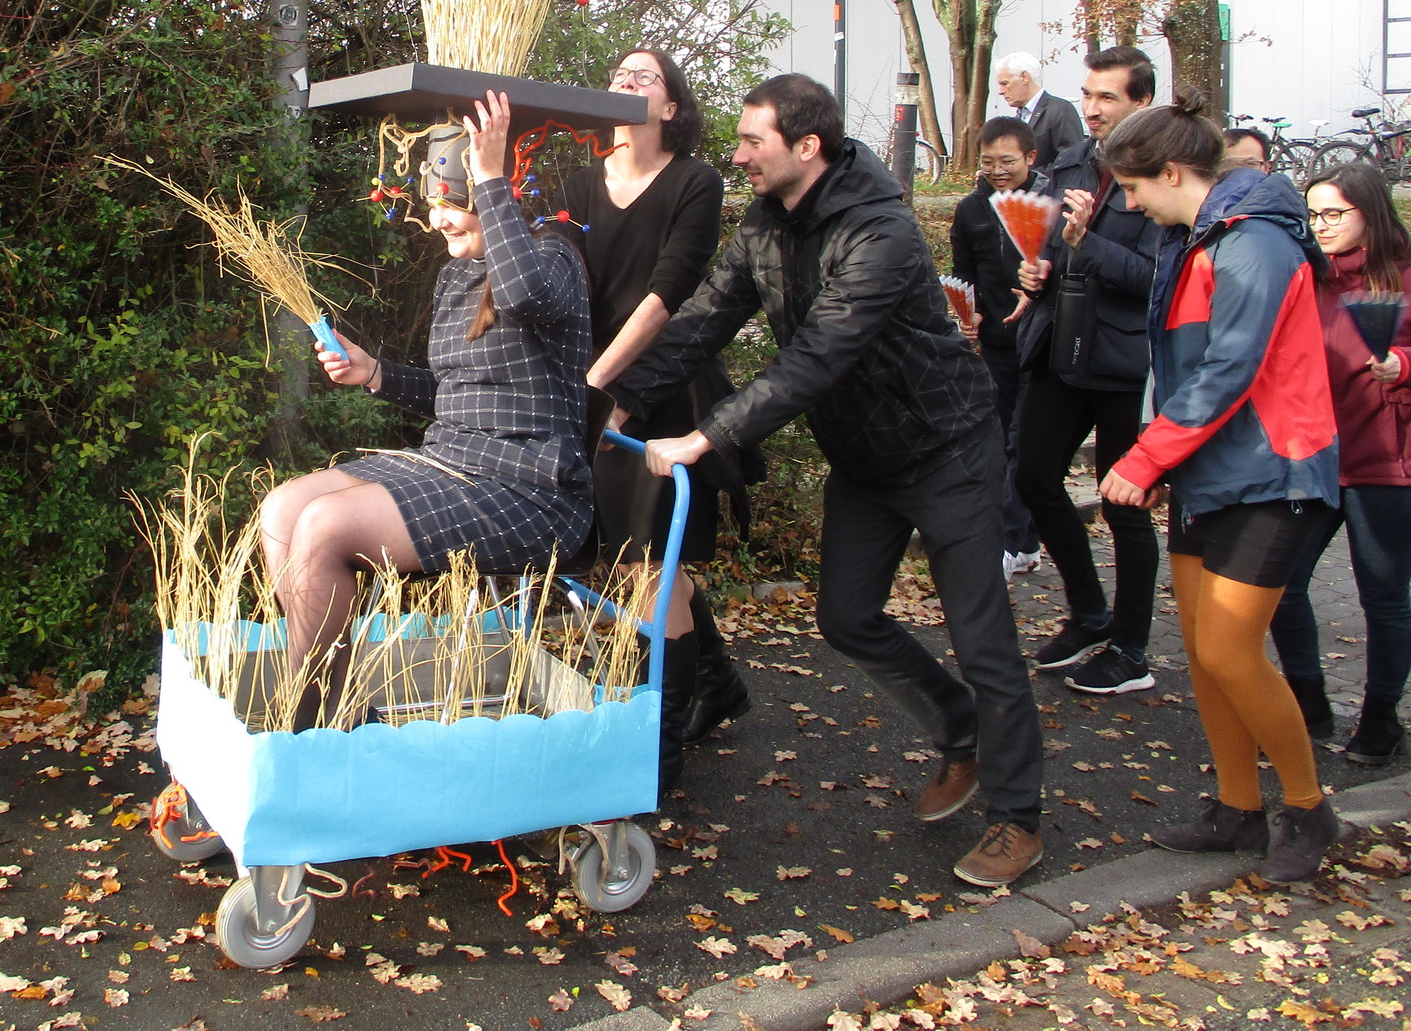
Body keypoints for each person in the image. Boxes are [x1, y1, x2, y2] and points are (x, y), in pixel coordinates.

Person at [609, 73, 1046, 886]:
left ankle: (1017, 818)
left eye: (752, 142)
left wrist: (709, 434)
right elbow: (704, 316)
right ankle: (961, 728)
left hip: (946, 450)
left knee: (983, 640)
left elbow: (817, 359)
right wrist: (622, 402)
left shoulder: (881, 231)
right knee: (846, 618)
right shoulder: (765, 222)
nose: (737, 154)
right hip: (866, 458)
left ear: (806, 146)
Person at [259, 92, 594, 728]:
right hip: (453, 462)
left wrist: (490, 178)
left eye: (454, 201)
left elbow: (520, 294)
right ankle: (342, 712)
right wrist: (376, 374)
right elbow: (453, 390)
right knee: (283, 512)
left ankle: (300, 731)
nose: (438, 219)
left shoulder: (554, 259)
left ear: (513, 191)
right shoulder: (455, 277)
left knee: (326, 528)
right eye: (434, 202)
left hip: (533, 489)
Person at [1096, 91, 1345, 883]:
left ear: (1173, 171)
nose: (1128, 203)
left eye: (1134, 188)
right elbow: (1183, 365)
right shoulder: (1194, 238)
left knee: (1230, 650)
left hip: (1277, 470)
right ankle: (1237, 808)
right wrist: (1168, 457)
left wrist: (1145, 458)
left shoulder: (1254, 243)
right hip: (1211, 470)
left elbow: (1231, 366)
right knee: (1205, 655)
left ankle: (1308, 808)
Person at [556, 50, 752, 791]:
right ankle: (722, 683)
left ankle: (654, 753)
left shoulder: (696, 181)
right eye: (617, 75)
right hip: (590, 386)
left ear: (671, 108)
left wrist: (603, 381)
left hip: (665, 387)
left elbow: (670, 293)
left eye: (646, 77)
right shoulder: (576, 184)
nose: (626, 82)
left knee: (647, 570)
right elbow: (560, 284)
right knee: (637, 567)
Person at [1011, 45, 1162, 696]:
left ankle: (1131, 650)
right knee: (1034, 477)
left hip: (1124, 364)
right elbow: (1048, 247)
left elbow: (1158, 279)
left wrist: (1086, 246)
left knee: (1122, 501)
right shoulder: (1071, 161)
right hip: (1060, 350)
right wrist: (1035, 272)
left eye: (1109, 97)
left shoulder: (1161, 174)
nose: (1093, 108)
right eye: (1089, 94)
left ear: (1142, 102)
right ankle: (1090, 613)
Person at [1268, 162, 1411, 762]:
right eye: (1314, 214)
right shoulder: (1310, 276)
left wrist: (1401, 365)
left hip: (1383, 460)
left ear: (1368, 213)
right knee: (1280, 583)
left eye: (1333, 214)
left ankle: (1380, 718)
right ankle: (1309, 704)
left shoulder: (1402, 276)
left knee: (1383, 596)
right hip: (1316, 459)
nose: (1320, 225)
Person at [950, 115, 1050, 578]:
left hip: (1045, 339)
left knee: (1024, 440)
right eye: (988, 161)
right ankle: (1021, 540)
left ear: (1030, 157)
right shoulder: (972, 209)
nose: (998, 169)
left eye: (1007, 161)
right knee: (1001, 436)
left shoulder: (1051, 202)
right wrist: (967, 316)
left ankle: (1014, 539)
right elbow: (964, 270)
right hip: (996, 342)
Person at [996, 51, 1082, 170]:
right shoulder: (1020, 116)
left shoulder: (1061, 111)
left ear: (1024, 77)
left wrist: (1029, 178)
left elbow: (1071, 162)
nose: (1000, 91)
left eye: (1005, 83)